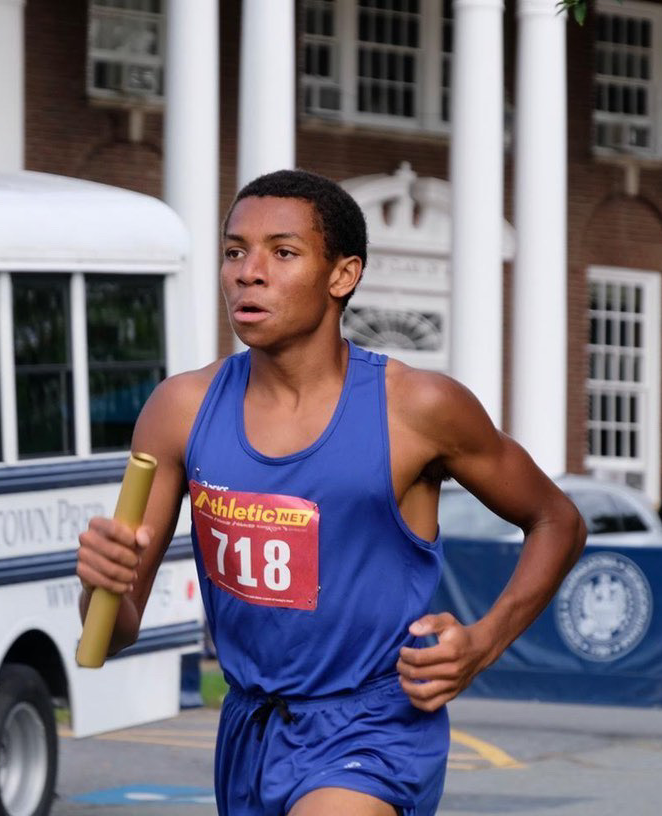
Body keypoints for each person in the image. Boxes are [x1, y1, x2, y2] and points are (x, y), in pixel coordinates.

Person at [77, 169, 586, 816]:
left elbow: (557, 520)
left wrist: (483, 644)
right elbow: (113, 631)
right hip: (250, 730)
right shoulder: (179, 409)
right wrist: (99, 581)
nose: (248, 272)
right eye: (235, 251)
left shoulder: (418, 408)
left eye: (282, 253)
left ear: (343, 275)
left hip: (374, 726)